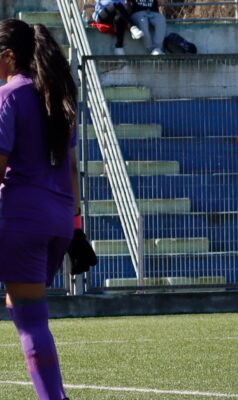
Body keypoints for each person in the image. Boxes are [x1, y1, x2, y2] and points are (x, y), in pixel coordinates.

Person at [0, 18, 83, 400]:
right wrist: (76, 224)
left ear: (9, 56)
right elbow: (71, 168)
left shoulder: (10, 95)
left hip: (20, 218)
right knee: (25, 308)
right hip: (58, 220)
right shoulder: (57, 95)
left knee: (31, 320)